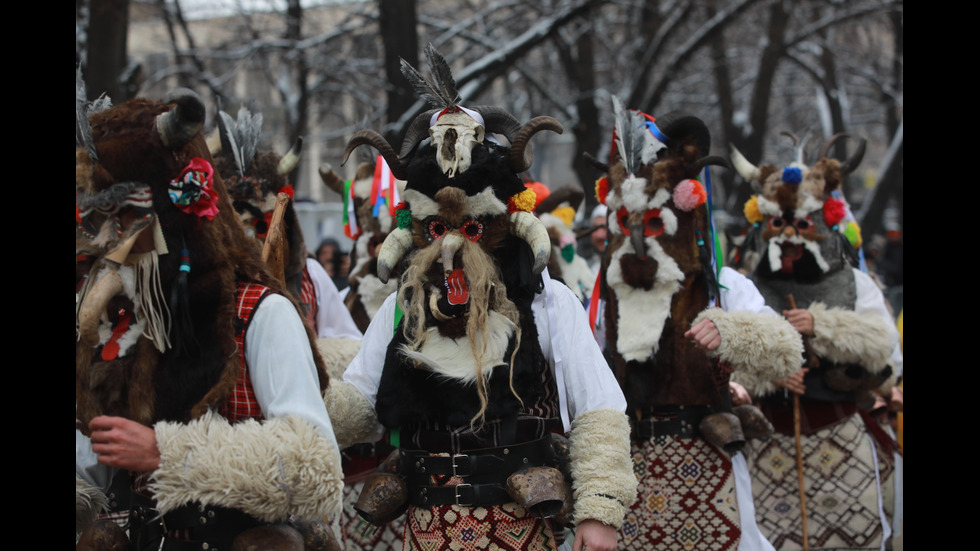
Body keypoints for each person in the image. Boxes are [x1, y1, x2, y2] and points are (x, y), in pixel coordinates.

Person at [322, 45, 636, 551]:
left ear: (501, 223)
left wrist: (600, 510)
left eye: (469, 226)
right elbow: (360, 407)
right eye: (435, 228)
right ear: (416, 228)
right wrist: (303, 378)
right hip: (429, 526)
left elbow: (597, 409)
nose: (450, 244)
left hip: (521, 521)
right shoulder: (400, 306)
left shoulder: (547, 302)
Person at [75, 85, 343, 549]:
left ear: (171, 215)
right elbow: (94, 467)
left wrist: (170, 454)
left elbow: (316, 467)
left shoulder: (261, 313)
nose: (102, 240)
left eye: (122, 215)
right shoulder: (119, 324)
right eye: (95, 219)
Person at [591, 100, 801, 551]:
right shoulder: (605, 296)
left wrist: (732, 330)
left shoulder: (719, 284)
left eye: (651, 222)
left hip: (705, 457)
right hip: (629, 465)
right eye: (629, 223)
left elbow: (787, 350)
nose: (640, 238)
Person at [730, 135, 901, 550]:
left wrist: (821, 325)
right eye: (778, 225)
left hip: (839, 434)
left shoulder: (854, 283)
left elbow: (888, 354)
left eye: (803, 225)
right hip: (768, 447)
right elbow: (725, 363)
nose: (790, 236)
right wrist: (770, 377)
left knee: (856, 538)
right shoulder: (743, 288)